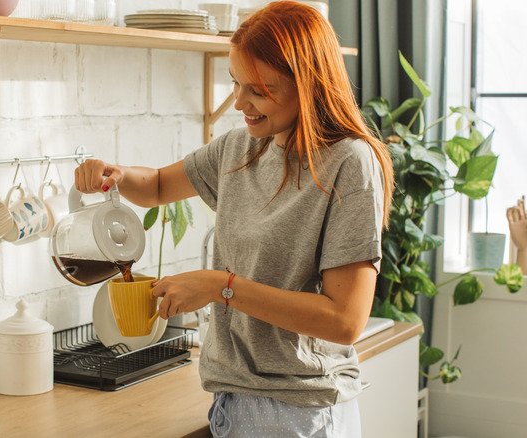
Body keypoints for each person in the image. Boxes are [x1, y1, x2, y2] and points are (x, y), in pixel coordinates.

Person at [74, 2, 394, 436]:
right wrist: (116, 174)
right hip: (233, 402)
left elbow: (345, 321)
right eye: (235, 83)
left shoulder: (347, 163)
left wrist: (219, 288)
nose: (240, 102)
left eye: (258, 90)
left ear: (309, 85)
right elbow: (156, 187)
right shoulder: (240, 148)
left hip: (299, 411)